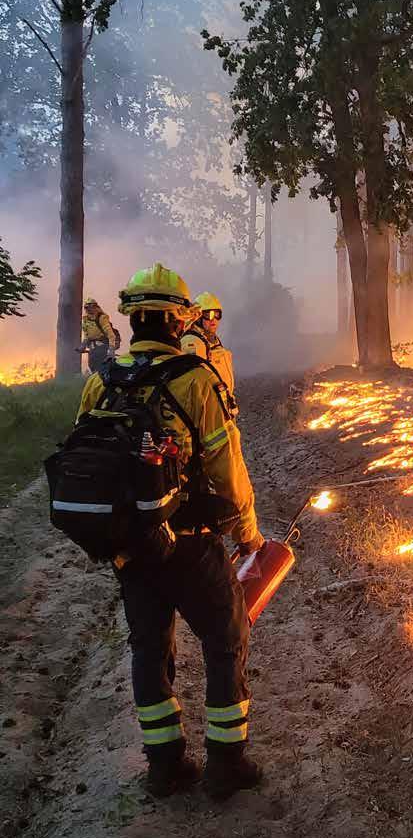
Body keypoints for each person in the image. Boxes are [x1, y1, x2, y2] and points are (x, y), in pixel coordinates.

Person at [77, 264, 265, 800]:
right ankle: (225, 765)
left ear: (130, 318)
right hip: (189, 541)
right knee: (225, 640)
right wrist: (248, 533)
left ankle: (165, 766)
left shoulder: (101, 381)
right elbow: (227, 466)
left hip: (131, 546)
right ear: (178, 319)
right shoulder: (194, 379)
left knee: (149, 648)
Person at [182, 292, 236, 397]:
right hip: (208, 405)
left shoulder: (212, 340)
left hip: (220, 403)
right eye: (208, 315)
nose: (213, 319)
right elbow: (194, 386)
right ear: (198, 317)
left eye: (217, 314)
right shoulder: (193, 343)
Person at [80, 297, 118, 373]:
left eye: (90, 307)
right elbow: (86, 335)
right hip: (92, 348)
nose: (88, 309)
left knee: (101, 368)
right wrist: (83, 345)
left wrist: (111, 350)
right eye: (86, 307)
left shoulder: (102, 318)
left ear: (95, 307)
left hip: (102, 347)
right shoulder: (85, 319)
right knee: (92, 366)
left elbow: (111, 335)